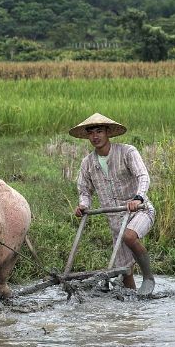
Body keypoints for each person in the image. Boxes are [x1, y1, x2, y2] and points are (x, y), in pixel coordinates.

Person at [69, 113, 156, 295]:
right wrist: (83, 205)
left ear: (108, 132)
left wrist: (138, 198)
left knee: (130, 236)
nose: (95, 136)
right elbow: (84, 190)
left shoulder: (127, 152)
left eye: (99, 131)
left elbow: (143, 176)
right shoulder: (87, 163)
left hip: (140, 210)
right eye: (91, 133)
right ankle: (133, 306)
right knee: (124, 271)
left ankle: (148, 277)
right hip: (116, 221)